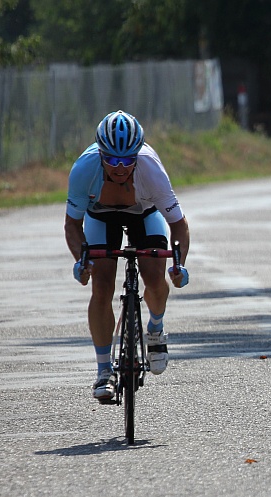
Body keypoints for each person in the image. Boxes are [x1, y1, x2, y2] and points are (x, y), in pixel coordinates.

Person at [64, 110, 191, 402]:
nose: (120, 167)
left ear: (137, 155)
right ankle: (103, 371)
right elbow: (72, 225)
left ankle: (155, 330)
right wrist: (81, 261)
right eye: (112, 160)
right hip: (100, 217)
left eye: (127, 159)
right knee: (102, 285)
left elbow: (178, 225)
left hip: (145, 214)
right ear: (100, 154)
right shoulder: (84, 169)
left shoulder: (150, 169)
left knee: (155, 278)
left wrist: (179, 264)